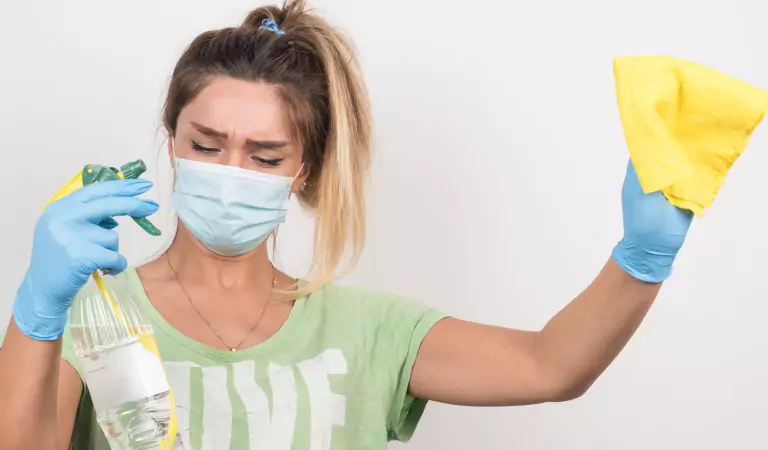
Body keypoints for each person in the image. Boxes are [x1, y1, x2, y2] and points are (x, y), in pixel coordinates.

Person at [0, 1, 695, 449]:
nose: (230, 169)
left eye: (264, 154)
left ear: (304, 167)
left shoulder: (365, 331)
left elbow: (551, 366)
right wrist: (35, 314)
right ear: (172, 140)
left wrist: (641, 258)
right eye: (207, 144)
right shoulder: (92, 314)